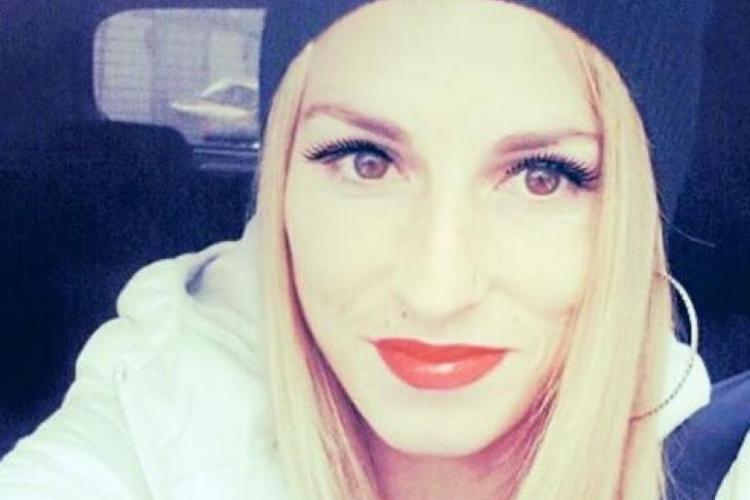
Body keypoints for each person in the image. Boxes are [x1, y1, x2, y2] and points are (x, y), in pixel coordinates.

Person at [0, 0, 746, 499]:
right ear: (281, 188)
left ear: (633, 220)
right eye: (366, 162)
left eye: (541, 177)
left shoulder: (718, 453)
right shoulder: (148, 419)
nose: (435, 289)